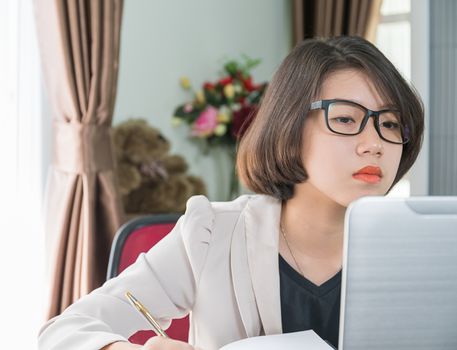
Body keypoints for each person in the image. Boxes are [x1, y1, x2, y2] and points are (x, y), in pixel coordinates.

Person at [38, 36, 424, 350]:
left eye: (390, 124)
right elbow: (64, 331)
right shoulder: (210, 234)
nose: (375, 143)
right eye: (345, 119)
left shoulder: (420, 252)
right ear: (289, 126)